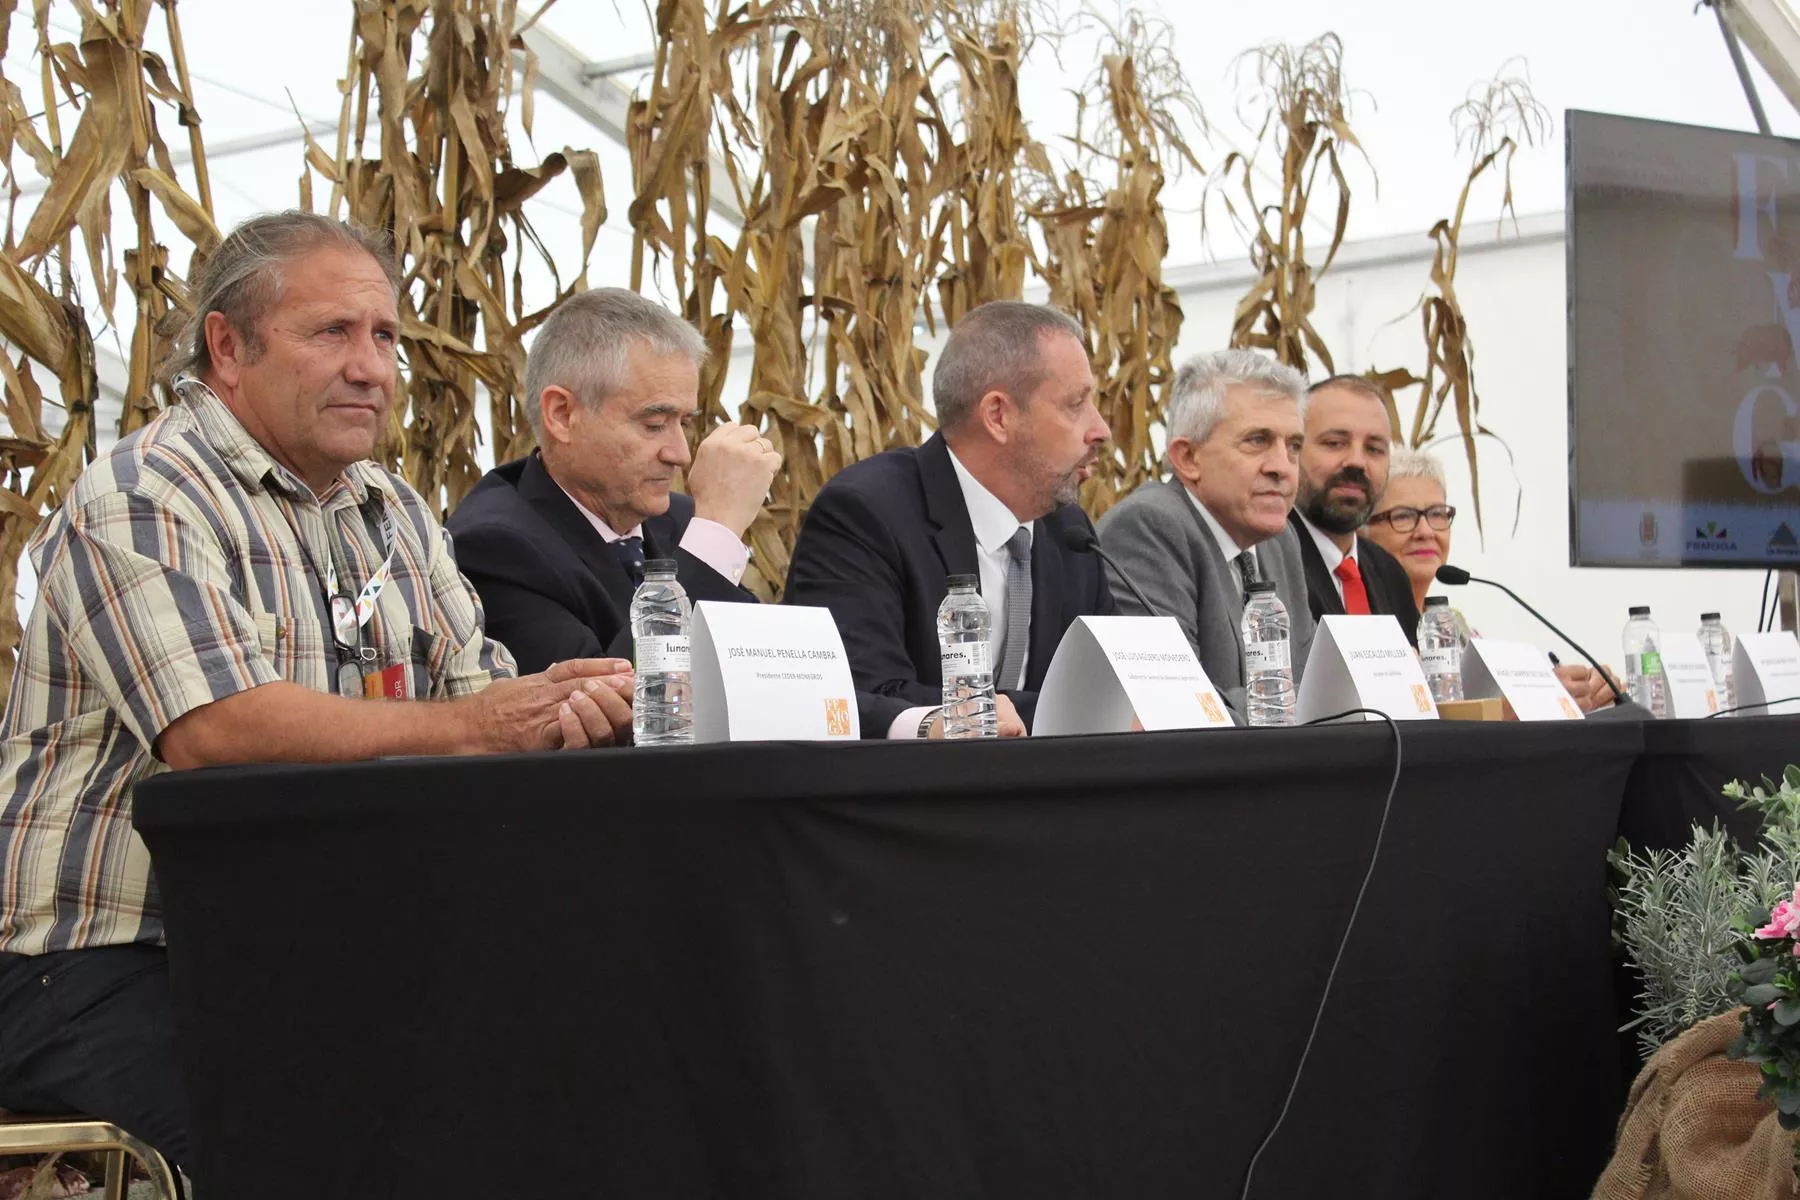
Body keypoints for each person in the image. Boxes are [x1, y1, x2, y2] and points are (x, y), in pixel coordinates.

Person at [0, 213, 634, 1176]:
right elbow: (215, 727)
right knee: (291, 1158)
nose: (372, 366)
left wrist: (564, 713)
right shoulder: (144, 493)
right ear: (228, 347)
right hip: (98, 958)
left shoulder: (393, 512)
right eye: (331, 332)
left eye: (384, 336)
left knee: (543, 1092)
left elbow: (480, 694)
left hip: (305, 944)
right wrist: (478, 724)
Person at [783, 301, 1113, 737]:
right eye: (1076, 405)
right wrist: (1055, 713)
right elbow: (859, 695)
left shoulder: (1069, 531)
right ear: (999, 415)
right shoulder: (864, 514)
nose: (1101, 429)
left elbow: (1111, 693)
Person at [448, 289, 780, 670]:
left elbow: (756, 676)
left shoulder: (681, 523)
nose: (681, 453)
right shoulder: (496, 549)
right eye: (654, 424)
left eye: (684, 423)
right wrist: (718, 533)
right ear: (562, 415)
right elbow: (599, 710)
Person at [1097, 349, 1317, 718]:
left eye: (1293, 446)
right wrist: (1301, 707)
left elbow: (1312, 680)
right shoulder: (1149, 528)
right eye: (1257, 440)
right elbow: (1176, 703)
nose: (1283, 467)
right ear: (1188, 458)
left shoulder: (1281, 540)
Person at [1364, 447, 1617, 712]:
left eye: (1437, 514)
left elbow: (1490, 704)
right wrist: (1538, 701)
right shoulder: (1367, 625)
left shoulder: (1457, 627)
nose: (1426, 531)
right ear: (1363, 530)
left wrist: (1580, 695)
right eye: (1403, 516)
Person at [1288, 375, 1421, 644]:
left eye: (1374, 449)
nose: (1357, 462)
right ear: (1293, 449)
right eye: (1335, 443)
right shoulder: (1268, 558)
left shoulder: (1389, 572)